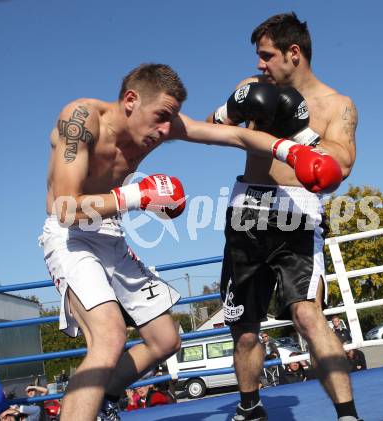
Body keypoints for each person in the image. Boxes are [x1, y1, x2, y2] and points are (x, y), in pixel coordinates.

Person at [40, 62, 315, 421]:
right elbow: (64, 207)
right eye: (161, 117)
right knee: (108, 336)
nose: (166, 130)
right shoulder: (81, 119)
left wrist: (291, 151)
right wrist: (139, 196)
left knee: (165, 339)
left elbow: (234, 136)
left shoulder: (161, 124)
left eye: (171, 120)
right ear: (130, 100)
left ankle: (103, 396)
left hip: (110, 233)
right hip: (70, 236)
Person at [207, 12, 359, 421]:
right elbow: (212, 128)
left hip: (298, 211)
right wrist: (231, 110)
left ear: (294, 53)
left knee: (309, 314)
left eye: (266, 55)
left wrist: (301, 131)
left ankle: (347, 414)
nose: (259, 64)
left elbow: (341, 166)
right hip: (248, 208)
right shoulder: (250, 88)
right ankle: (250, 408)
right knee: (245, 329)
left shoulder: (336, 105)